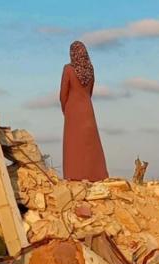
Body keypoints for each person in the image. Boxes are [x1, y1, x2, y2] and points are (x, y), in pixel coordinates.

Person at [60, 41, 109, 181]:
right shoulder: (90, 70)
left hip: (72, 109)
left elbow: (63, 94)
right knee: (90, 143)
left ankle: (74, 175)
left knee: (73, 142)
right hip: (88, 109)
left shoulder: (68, 69)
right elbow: (90, 91)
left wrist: (65, 109)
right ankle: (96, 175)